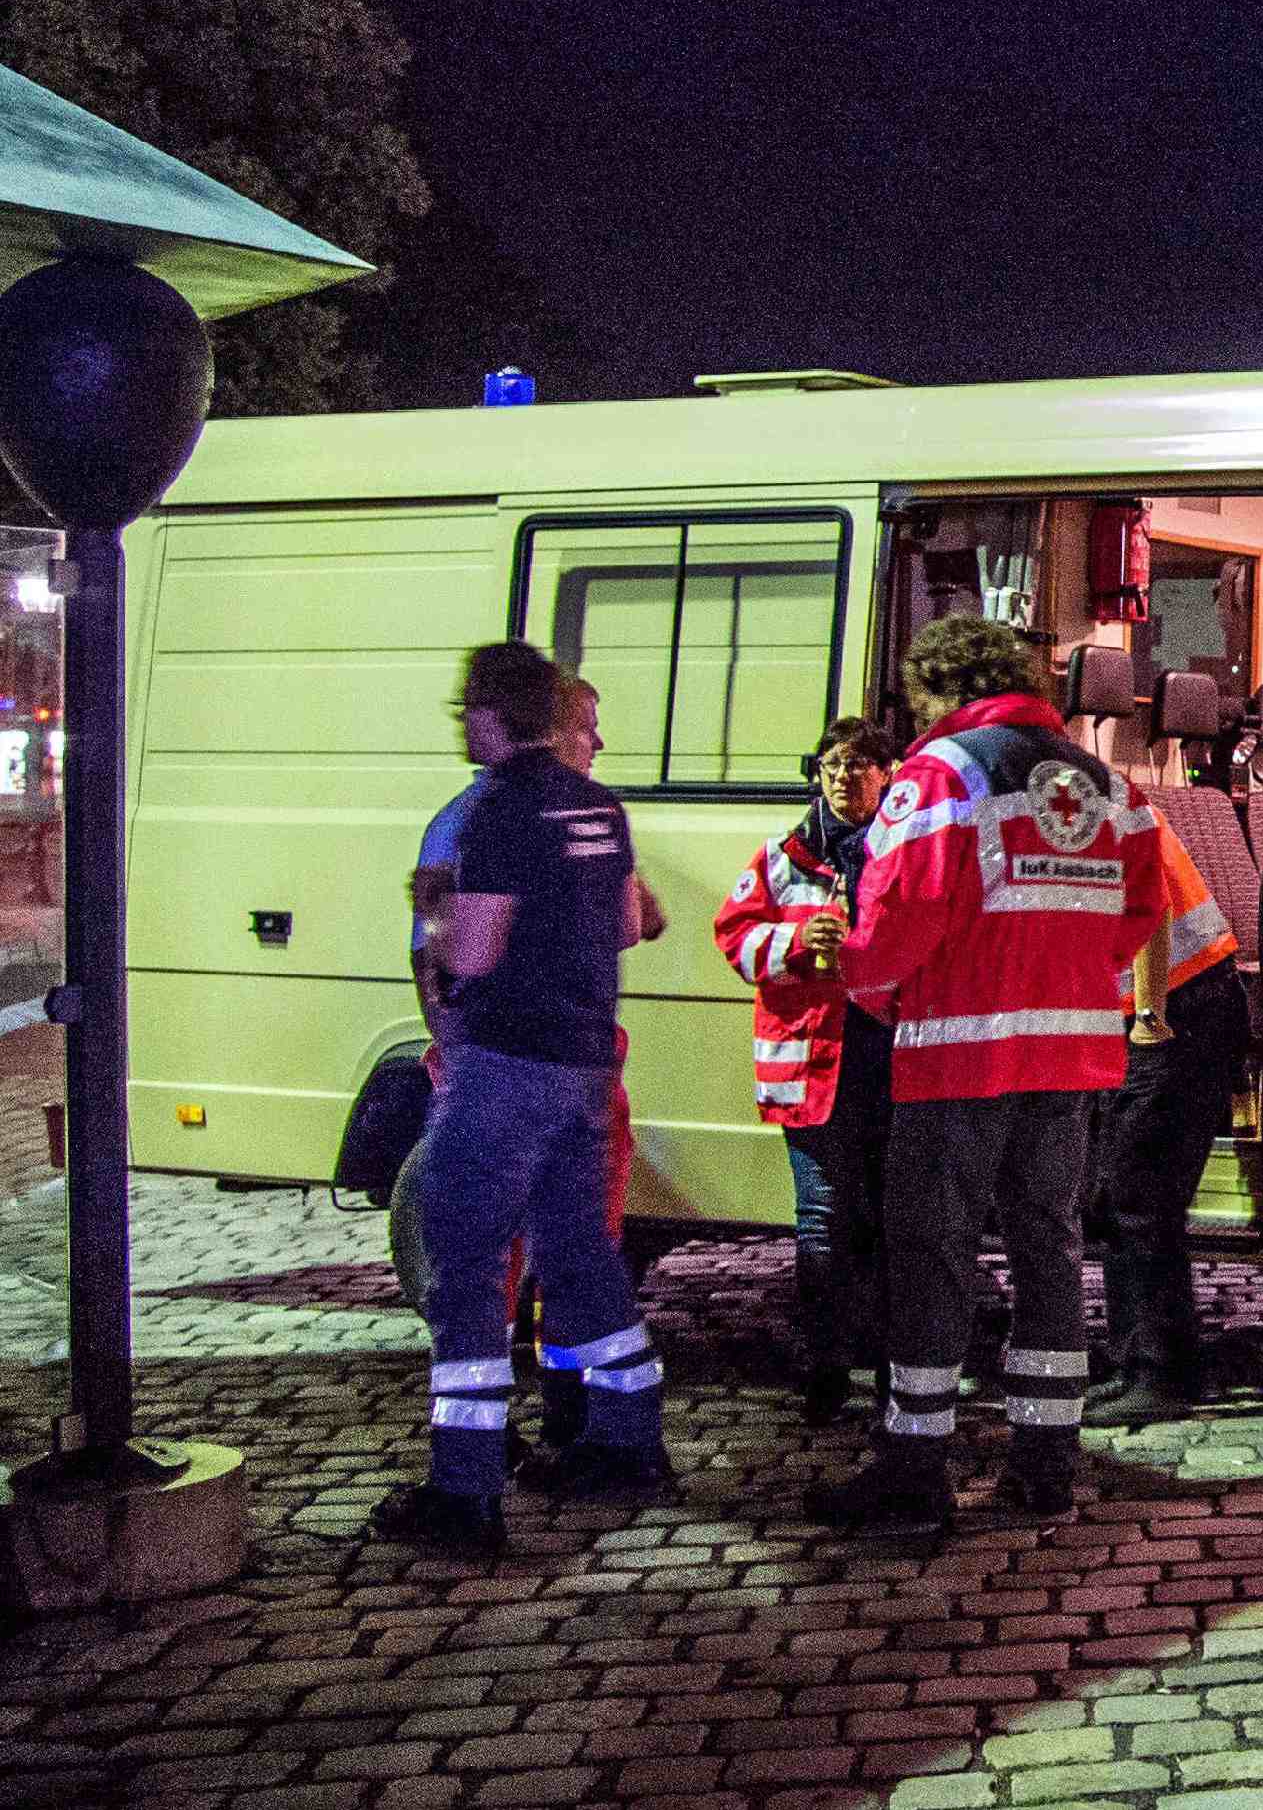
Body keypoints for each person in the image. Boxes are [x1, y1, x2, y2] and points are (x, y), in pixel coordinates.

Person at [805, 615, 1162, 1539]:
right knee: (1049, 1250)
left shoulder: (942, 773)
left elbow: (901, 917)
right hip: (1070, 1056)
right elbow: (1139, 911)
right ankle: (1045, 1462)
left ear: (938, 690)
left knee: (933, 1254)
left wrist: (860, 974)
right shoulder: (1104, 782)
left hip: (958, 1056)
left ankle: (913, 1466)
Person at [373, 642, 671, 1555]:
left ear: (497, 715)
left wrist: (434, 915)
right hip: (587, 1062)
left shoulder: (495, 811)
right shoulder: (600, 805)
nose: (462, 722)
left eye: (467, 708)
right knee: (581, 1257)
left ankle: (464, 1492)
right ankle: (629, 1442)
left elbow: (469, 953)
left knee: (466, 1264)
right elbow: (630, 924)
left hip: (504, 1062)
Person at [713, 716, 899, 1421]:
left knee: (883, 1221)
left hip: (883, 1059)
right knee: (821, 1221)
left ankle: (887, 1369)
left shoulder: (900, 849)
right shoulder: (782, 856)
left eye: (859, 765)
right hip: (813, 1062)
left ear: (887, 773)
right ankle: (826, 1366)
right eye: (832, 767)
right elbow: (733, 936)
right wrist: (792, 941)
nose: (846, 778)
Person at [1087, 806, 1247, 1422]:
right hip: (1179, 1001)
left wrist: (1149, 1020)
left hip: (1177, 1008)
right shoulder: (1094, 798)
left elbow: (1145, 909)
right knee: (1121, 1197)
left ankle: (1161, 1372)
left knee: (1140, 1197)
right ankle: (1131, 1361)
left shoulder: (1086, 807)